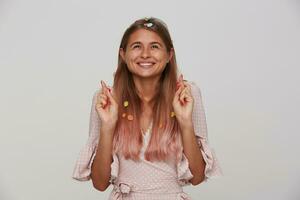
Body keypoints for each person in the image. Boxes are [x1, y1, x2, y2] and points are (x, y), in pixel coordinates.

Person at [72, 17, 223, 200]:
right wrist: (108, 126)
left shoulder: (187, 94)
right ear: (123, 54)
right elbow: (100, 183)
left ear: (169, 55)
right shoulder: (106, 99)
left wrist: (185, 122)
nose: (145, 54)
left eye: (154, 46)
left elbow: (197, 176)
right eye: (136, 46)